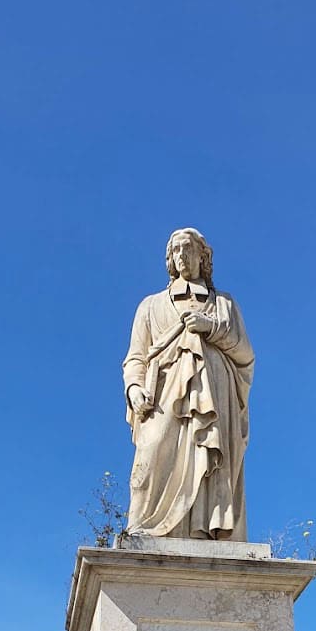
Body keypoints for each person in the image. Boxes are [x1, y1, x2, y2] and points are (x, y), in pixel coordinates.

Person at [122, 228, 254, 540]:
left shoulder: (224, 305)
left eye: (188, 249)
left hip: (215, 396)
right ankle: (144, 534)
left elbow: (246, 354)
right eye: (176, 250)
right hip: (164, 394)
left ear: (202, 257)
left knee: (211, 462)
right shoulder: (151, 306)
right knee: (150, 458)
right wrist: (133, 388)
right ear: (170, 259)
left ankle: (206, 531)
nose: (182, 256)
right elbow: (135, 357)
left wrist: (212, 328)